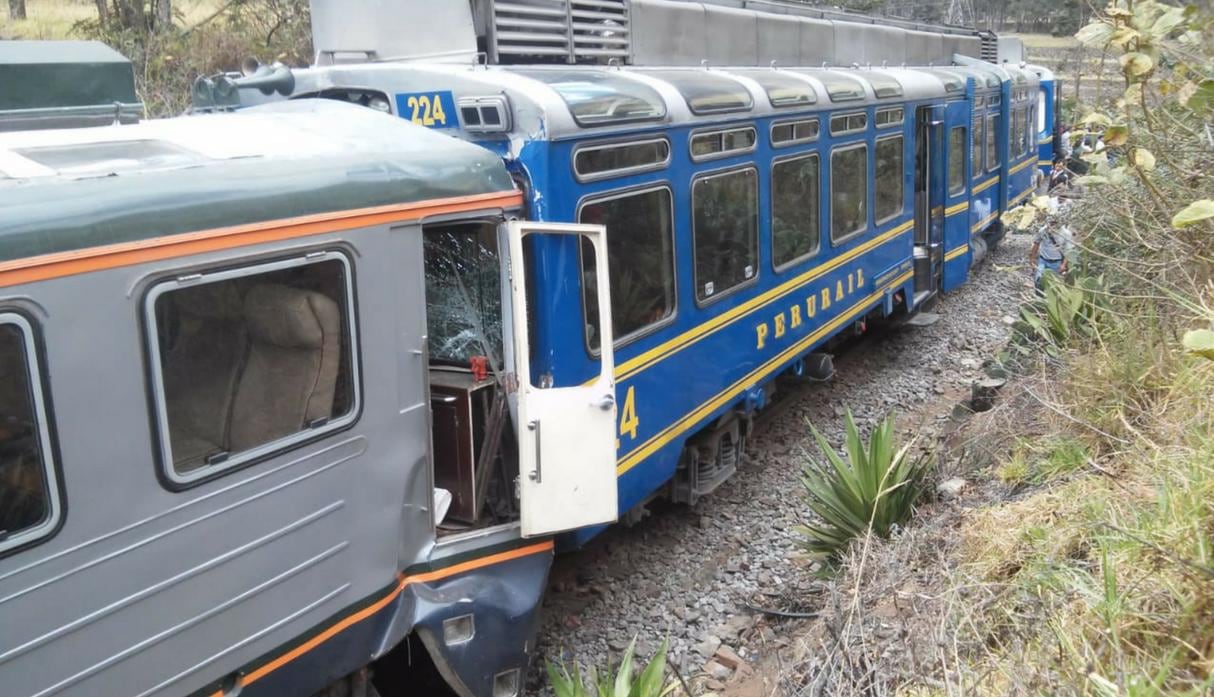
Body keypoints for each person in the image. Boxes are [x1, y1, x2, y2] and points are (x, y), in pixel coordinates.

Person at [1030, 215, 1071, 290]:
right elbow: (1036, 243)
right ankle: (1038, 296)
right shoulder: (1043, 231)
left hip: (1056, 262)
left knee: (1053, 284)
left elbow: (1068, 251)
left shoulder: (1066, 233)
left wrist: (1063, 265)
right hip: (1043, 260)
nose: (1052, 225)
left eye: (1054, 223)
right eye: (1051, 223)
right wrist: (1032, 259)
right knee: (1038, 280)